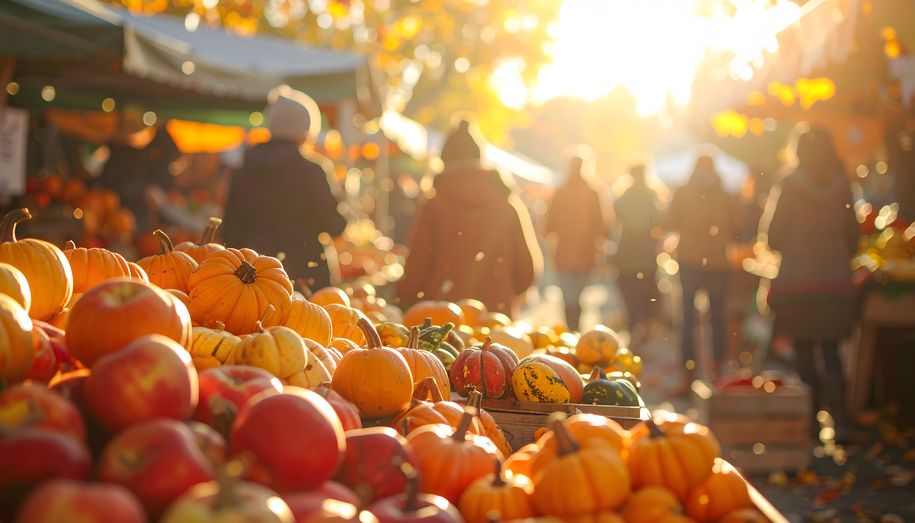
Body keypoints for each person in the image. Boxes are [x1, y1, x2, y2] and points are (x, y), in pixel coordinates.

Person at [759, 126, 859, 442]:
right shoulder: (844, 186)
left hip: (797, 281)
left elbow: (773, 235)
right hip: (834, 280)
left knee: (803, 349)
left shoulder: (789, 185)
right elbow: (854, 237)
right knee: (831, 349)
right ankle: (840, 418)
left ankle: (812, 420)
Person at [395, 117, 542, 317]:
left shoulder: (435, 205)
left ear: (444, 159)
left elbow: (417, 266)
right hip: (495, 321)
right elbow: (528, 271)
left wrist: (403, 303)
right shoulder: (508, 205)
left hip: (442, 321)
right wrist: (499, 293)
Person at [221, 85, 347, 290]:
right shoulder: (312, 171)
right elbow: (335, 226)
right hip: (307, 276)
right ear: (306, 130)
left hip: (253, 278)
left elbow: (229, 233)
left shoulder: (244, 170)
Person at [663, 154, 740, 386]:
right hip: (718, 261)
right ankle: (716, 372)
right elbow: (738, 225)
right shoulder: (725, 193)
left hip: (689, 259)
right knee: (717, 315)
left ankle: (688, 374)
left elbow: (668, 222)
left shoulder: (683, 191)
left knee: (688, 317)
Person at [543, 147, 610, 331]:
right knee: (577, 295)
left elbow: (548, 227)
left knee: (568, 296)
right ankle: (576, 328)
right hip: (586, 253)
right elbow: (603, 227)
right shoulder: (593, 191)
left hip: (563, 253)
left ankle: (571, 328)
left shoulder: (561, 192)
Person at [612, 163, 664, 345]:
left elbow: (615, 218)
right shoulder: (652, 196)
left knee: (629, 290)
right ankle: (642, 323)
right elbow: (660, 221)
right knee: (646, 291)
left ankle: (634, 322)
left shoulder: (623, 197)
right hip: (646, 255)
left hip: (626, 253)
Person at [97, 126, 180, 233]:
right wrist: (144, 192)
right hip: (117, 217)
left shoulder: (149, 165)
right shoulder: (131, 159)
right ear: (157, 152)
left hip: (133, 223)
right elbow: (118, 189)